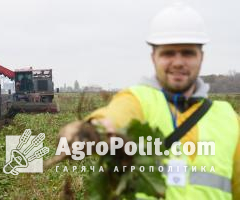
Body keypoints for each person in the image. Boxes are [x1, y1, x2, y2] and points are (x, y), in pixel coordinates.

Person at [58, 2, 240, 199]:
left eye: (187, 52)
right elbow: (113, 117)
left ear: (201, 57)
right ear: (154, 57)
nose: (178, 62)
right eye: (168, 53)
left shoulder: (228, 118)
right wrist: (91, 129)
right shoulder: (138, 100)